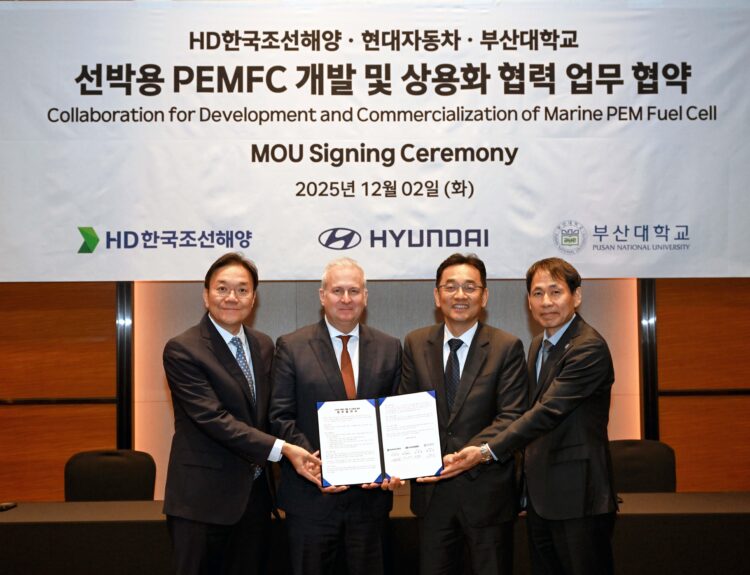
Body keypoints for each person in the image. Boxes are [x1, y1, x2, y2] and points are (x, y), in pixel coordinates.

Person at [442, 257, 617, 575]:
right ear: (529, 301)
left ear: (576, 296)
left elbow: (546, 412)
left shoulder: (588, 348)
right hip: (541, 499)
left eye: (556, 292)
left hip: (579, 497)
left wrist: (485, 451)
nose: (546, 302)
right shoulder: (538, 345)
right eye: (538, 293)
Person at [162, 252, 321, 575]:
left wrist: (314, 448)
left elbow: (274, 412)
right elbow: (214, 419)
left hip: (255, 499)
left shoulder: (263, 345)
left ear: (253, 298)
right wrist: (284, 449)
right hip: (202, 502)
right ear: (206, 295)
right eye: (222, 289)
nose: (232, 297)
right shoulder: (183, 349)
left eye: (242, 290)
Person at [269, 257, 402, 575]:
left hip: (369, 503)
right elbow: (280, 416)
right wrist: (318, 464)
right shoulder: (292, 346)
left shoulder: (390, 347)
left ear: (365, 297)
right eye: (337, 290)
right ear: (322, 295)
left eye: (354, 291)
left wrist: (397, 462)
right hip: (311, 499)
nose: (346, 299)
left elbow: (396, 417)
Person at [400, 253, 528, 575]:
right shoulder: (415, 343)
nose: (460, 295)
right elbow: (404, 409)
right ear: (437, 295)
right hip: (432, 493)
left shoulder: (506, 346)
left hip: (486, 493)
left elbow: (511, 415)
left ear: (484, 296)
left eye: (470, 287)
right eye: (451, 287)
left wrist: (470, 454)